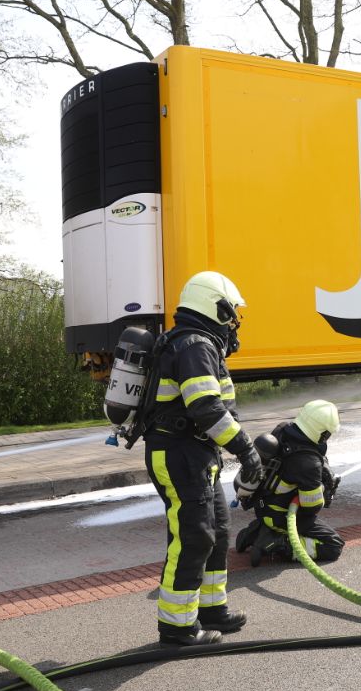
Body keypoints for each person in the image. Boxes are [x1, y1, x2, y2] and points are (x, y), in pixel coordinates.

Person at [145, 270, 264, 646]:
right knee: (193, 537)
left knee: (217, 533)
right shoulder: (194, 345)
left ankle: (213, 610)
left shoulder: (196, 342)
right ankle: (177, 627)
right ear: (215, 306)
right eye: (231, 312)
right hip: (179, 453)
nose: (234, 322)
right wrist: (246, 449)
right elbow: (207, 408)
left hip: (197, 454)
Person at [234, 400, 345, 567]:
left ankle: (257, 531)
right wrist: (326, 490)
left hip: (262, 507)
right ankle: (279, 544)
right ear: (321, 432)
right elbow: (311, 507)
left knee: (277, 512)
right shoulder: (308, 463)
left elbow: (288, 467)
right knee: (333, 546)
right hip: (283, 516)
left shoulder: (282, 430)